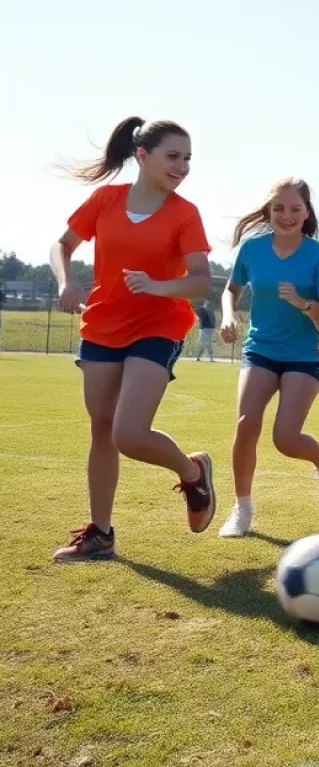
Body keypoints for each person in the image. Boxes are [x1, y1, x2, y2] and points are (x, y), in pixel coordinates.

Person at [51, 117, 216, 563]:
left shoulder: (185, 213)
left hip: (158, 326)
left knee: (128, 432)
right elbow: (62, 245)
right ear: (142, 156)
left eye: (187, 159)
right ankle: (100, 535)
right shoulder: (105, 199)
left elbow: (201, 281)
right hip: (103, 326)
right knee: (102, 428)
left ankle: (192, 471)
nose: (182, 166)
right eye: (173, 156)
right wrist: (67, 282)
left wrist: (159, 287)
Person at [218, 179, 319, 538]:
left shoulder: (318, 255)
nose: (286, 216)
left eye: (294, 209)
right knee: (245, 424)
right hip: (261, 348)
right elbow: (232, 289)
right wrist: (229, 316)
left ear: (307, 213)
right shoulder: (252, 249)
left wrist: (303, 304)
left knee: (286, 440)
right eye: (278, 209)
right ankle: (242, 509)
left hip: (306, 353)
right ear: (268, 211)